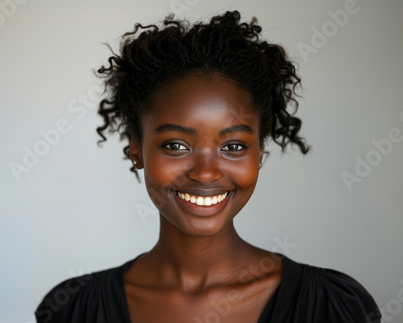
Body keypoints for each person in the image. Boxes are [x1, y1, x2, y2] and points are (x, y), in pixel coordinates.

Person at [35, 10, 381, 323]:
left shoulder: (330, 307)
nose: (205, 172)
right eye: (175, 145)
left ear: (260, 152)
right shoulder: (74, 309)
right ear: (137, 151)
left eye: (233, 146)